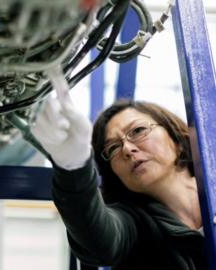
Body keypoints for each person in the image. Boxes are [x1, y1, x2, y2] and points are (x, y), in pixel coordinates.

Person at [31, 84, 204, 269]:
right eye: (113, 148)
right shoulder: (133, 225)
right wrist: (73, 164)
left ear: (175, 138)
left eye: (138, 131)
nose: (127, 149)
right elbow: (98, 238)